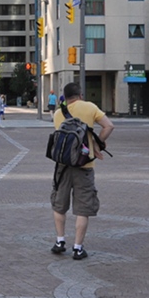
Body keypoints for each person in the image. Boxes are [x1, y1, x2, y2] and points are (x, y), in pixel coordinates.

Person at [50, 82, 114, 260]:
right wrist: (97, 144)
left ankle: (60, 241)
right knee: (83, 208)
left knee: (59, 204)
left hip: (62, 166)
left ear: (65, 97)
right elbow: (109, 126)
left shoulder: (58, 114)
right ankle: (78, 248)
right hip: (84, 165)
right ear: (80, 95)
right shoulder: (90, 107)